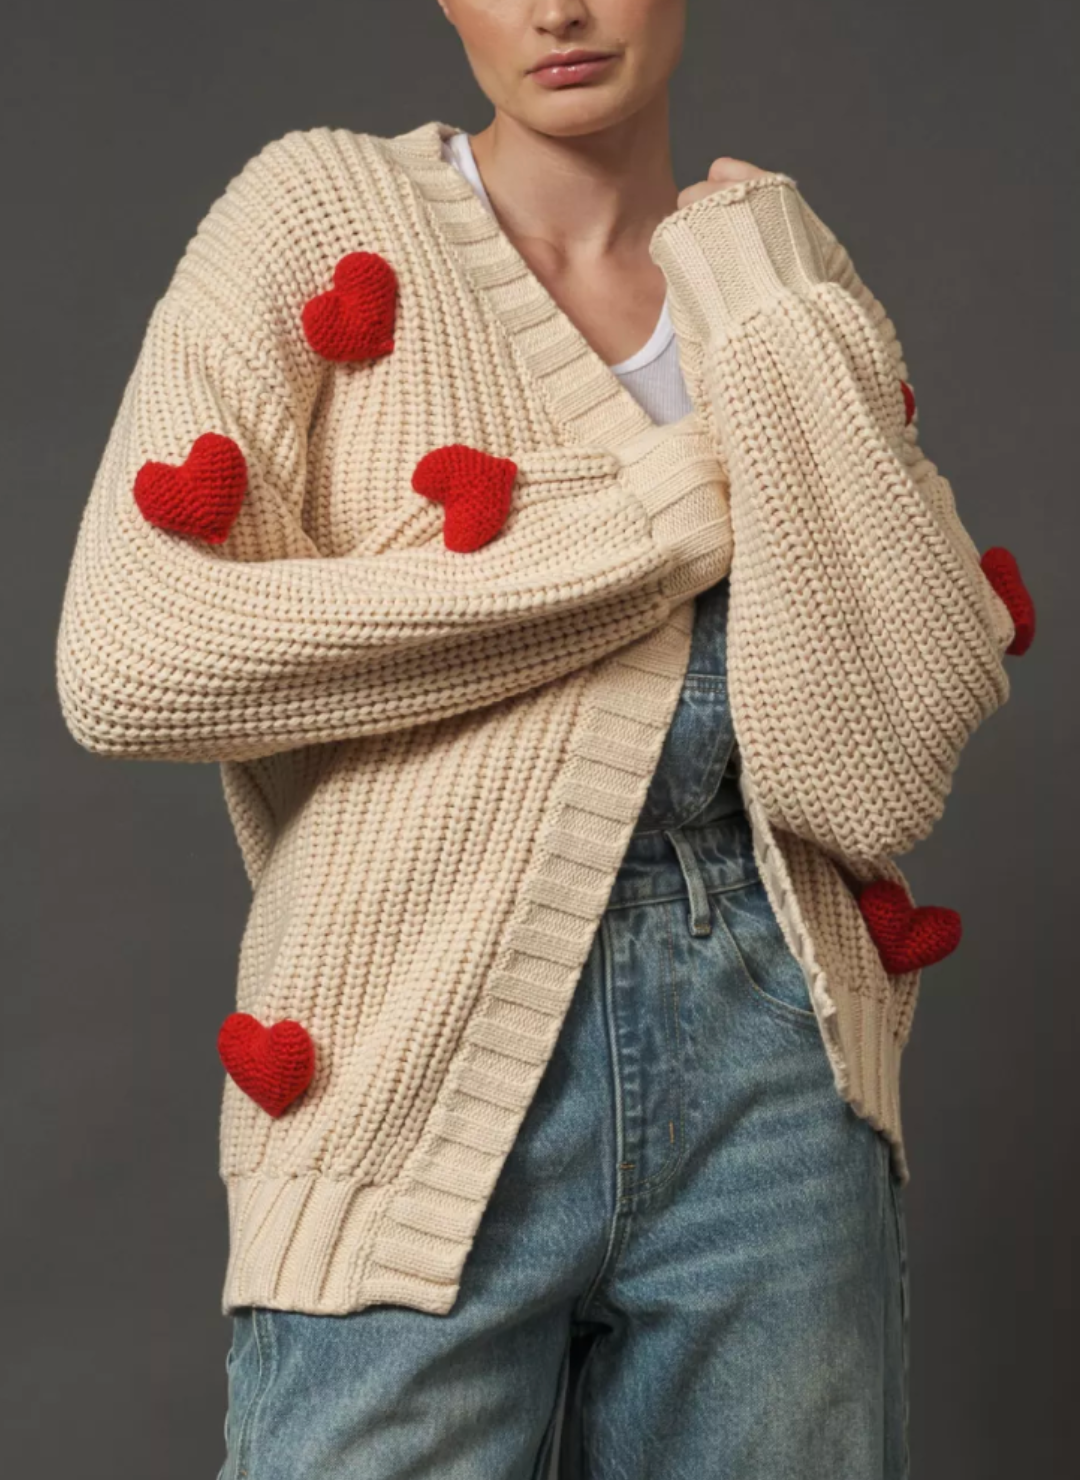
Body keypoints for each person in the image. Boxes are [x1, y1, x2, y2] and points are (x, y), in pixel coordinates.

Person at [54, 1, 1035, 1476]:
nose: (560, 8)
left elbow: (872, 767)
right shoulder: (320, 211)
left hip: (773, 1057)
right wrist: (667, 519)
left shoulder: (777, 280)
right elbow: (130, 661)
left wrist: (763, 297)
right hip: (406, 1037)